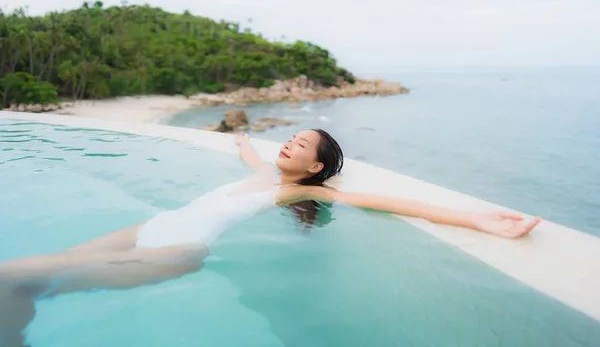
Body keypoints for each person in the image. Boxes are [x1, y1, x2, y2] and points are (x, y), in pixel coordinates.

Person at [0, 129, 541, 346]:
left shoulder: (294, 193)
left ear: (315, 168)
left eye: (301, 144)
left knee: (14, 275)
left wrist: (476, 219)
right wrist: (241, 144)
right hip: (144, 231)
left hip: (174, 253)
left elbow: (389, 202)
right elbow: (254, 156)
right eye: (289, 137)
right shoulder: (265, 173)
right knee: (30, 283)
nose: (288, 144)